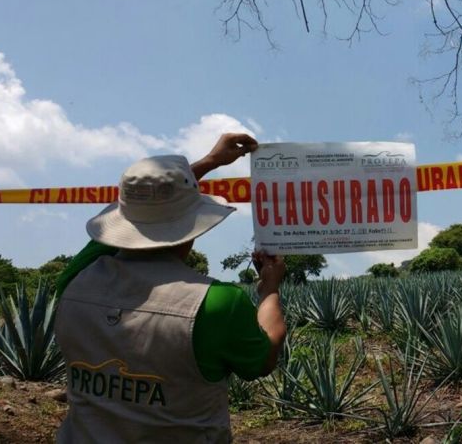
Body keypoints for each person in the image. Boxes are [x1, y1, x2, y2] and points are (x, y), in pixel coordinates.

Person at [53, 133, 287, 444]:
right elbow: (265, 357)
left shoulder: (73, 283)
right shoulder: (215, 302)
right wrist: (269, 290)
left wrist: (208, 163)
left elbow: (116, 233)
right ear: (193, 227)